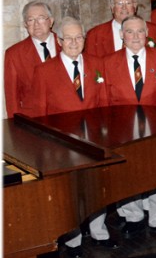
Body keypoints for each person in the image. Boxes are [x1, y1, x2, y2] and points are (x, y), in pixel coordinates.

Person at [25, 17, 112, 257]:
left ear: (84, 39)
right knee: (70, 192)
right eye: (69, 38)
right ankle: (73, 240)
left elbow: (105, 103)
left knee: (97, 187)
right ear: (59, 41)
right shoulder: (44, 71)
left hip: (94, 141)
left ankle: (99, 231)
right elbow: (38, 113)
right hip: (62, 145)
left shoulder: (97, 64)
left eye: (79, 37)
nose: (74, 42)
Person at [102, 15, 156, 238]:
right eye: (130, 32)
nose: (135, 36)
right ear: (122, 35)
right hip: (123, 131)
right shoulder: (107, 63)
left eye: (140, 31)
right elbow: (104, 101)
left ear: (147, 34)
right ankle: (133, 215)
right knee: (128, 175)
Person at [5, 1, 57, 117]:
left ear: (51, 21)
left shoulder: (67, 44)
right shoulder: (14, 54)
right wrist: (16, 128)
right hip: (34, 120)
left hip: (67, 117)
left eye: (41, 18)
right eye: (31, 20)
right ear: (25, 25)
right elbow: (12, 99)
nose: (36, 24)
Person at [85, 0, 156, 58]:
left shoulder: (152, 30)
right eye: (119, 3)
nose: (124, 8)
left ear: (135, 6)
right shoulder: (95, 35)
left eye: (128, 3)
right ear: (112, 7)